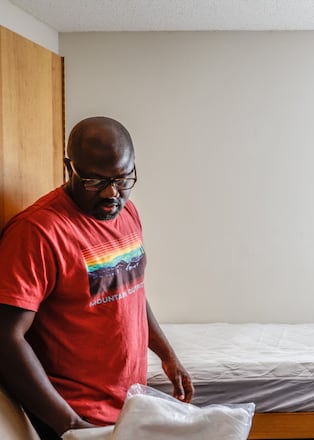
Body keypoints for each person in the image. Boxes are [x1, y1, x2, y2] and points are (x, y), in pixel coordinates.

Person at [0, 116, 193, 439]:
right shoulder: (37, 233)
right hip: (76, 418)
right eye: (94, 181)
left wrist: (167, 354)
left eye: (122, 179)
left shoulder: (126, 212)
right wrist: (70, 425)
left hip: (125, 408)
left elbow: (129, 288)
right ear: (69, 167)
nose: (111, 193)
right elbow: (6, 337)